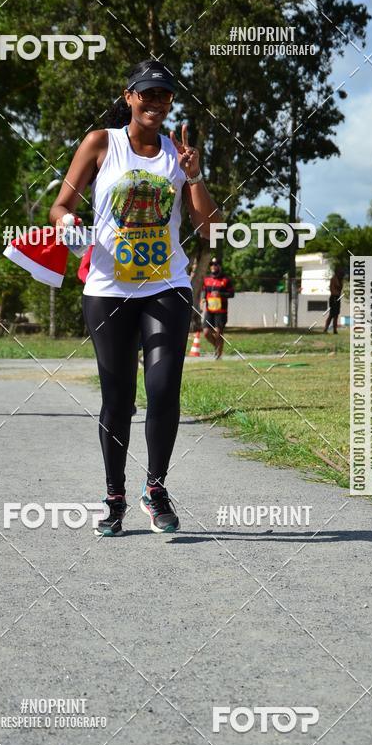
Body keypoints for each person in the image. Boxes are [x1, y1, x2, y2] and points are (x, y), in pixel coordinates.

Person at [49, 59, 222, 537]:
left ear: (170, 103)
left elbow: (210, 229)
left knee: (164, 389)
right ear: (128, 96)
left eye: (164, 95)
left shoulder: (178, 155)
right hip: (107, 290)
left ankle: (156, 488)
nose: (155, 102)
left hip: (166, 286)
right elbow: (61, 202)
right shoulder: (101, 143)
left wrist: (195, 176)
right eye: (146, 93)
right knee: (118, 397)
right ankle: (114, 495)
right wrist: (69, 226)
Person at [201, 257, 235, 359]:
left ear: (219, 266)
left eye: (215, 264)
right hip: (209, 310)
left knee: (218, 332)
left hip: (221, 311)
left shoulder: (226, 280)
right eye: (211, 264)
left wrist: (220, 294)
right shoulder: (207, 279)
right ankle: (217, 346)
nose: (213, 266)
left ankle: (218, 355)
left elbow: (232, 294)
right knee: (206, 332)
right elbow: (204, 291)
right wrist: (202, 299)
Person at [324, 265, 344, 334]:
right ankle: (326, 328)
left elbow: (340, 288)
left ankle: (335, 330)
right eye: (340, 272)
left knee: (336, 315)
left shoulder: (340, 279)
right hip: (334, 298)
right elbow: (335, 288)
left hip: (338, 297)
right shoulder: (334, 279)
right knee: (332, 314)